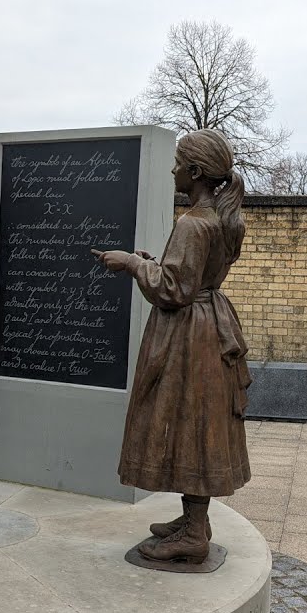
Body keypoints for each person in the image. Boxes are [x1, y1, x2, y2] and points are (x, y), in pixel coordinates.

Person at [93, 129, 252, 565]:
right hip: (211, 325)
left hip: (189, 335)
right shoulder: (221, 219)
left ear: (195, 172)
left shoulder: (192, 222)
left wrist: (131, 264)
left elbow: (174, 290)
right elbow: (192, 275)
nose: (173, 170)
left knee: (186, 424)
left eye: (179, 163)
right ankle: (192, 521)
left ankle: (194, 535)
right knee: (195, 424)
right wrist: (153, 263)